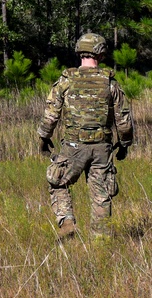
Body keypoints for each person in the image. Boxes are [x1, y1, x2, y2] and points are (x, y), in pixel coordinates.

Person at [38, 33, 134, 240]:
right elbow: (123, 118)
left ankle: (67, 221)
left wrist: (44, 137)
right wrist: (125, 144)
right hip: (102, 148)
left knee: (58, 182)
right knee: (101, 195)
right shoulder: (110, 83)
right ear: (100, 53)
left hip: (73, 146)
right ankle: (101, 242)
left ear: (79, 51)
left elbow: (51, 113)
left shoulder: (66, 80)